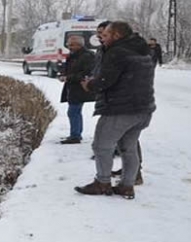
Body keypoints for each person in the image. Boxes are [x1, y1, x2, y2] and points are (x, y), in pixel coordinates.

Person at [77, 21, 155, 199]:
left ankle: (102, 183)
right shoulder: (142, 50)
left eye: (105, 35)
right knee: (129, 148)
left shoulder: (117, 52)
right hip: (143, 109)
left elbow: (107, 80)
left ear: (117, 35)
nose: (101, 39)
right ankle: (127, 186)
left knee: (101, 146)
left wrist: (90, 84)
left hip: (120, 109)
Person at [58, 35, 95, 144]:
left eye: (71, 45)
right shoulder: (73, 55)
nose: (69, 47)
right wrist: (62, 73)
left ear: (79, 45)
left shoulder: (87, 56)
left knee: (73, 111)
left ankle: (75, 136)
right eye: (68, 44)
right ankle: (75, 134)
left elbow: (87, 73)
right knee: (74, 111)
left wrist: (68, 77)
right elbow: (69, 69)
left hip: (80, 88)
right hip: (73, 87)